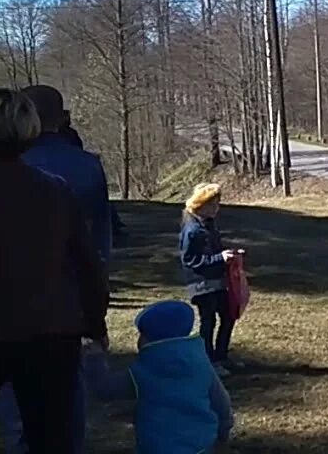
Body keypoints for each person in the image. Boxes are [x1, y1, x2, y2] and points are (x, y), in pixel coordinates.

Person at [0, 88, 109, 454]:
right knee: (53, 438)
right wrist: (95, 322)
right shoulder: (55, 191)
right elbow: (88, 263)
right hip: (50, 331)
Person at [82, 300, 234, 453]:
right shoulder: (201, 363)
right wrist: (224, 429)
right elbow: (221, 400)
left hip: (159, 447)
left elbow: (105, 389)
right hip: (201, 446)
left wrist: (95, 358)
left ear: (151, 339)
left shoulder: (145, 371)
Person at [21, 84, 112, 266]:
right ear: (61, 118)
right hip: (75, 270)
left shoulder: (14, 161)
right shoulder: (89, 164)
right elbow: (101, 229)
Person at [179, 183, 240, 376]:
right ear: (201, 205)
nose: (217, 208)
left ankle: (221, 355)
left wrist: (228, 256)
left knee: (228, 316)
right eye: (213, 204)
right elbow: (190, 260)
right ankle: (208, 361)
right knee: (209, 321)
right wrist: (219, 258)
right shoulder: (192, 230)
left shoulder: (208, 224)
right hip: (201, 284)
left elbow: (213, 250)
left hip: (216, 281)